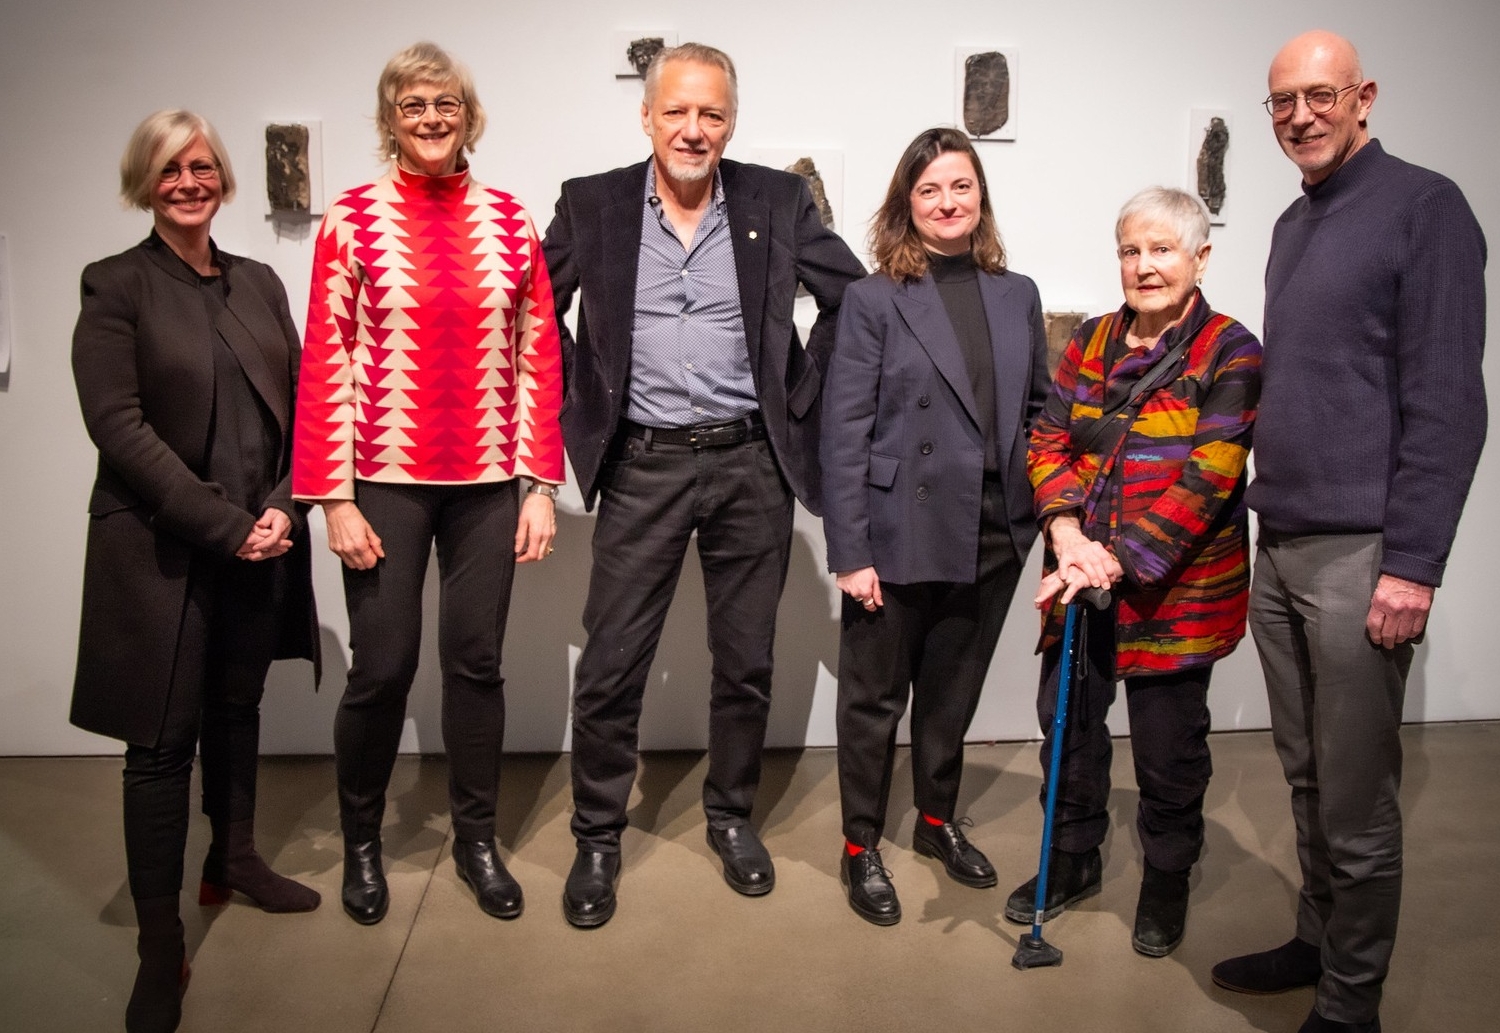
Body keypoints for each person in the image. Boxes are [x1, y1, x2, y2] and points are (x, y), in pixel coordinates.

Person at [542, 42, 865, 928]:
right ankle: (599, 834)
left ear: (731, 122)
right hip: (641, 462)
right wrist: (580, 394)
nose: (693, 129)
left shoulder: (777, 200)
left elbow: (855, 299)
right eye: (677, 111)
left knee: (746, 661)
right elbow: (534, 312)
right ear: (646, 116)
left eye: (711, 114)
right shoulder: (592, 203)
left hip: (750, 464)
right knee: (612, 663)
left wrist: (797, 397)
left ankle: (729, 816)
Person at [1212, 31, 1486, 1033]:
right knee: (1307, 772)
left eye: (1319, 96)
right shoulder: (1294, 223)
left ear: (1363, 96)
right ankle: (1318, 936)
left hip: (1363, 552)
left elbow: (1452, 402)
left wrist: (1412, 564)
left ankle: (1350, 1003)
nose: (1299, 116)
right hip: (1279, 541)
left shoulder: (1426, 207)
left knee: (1360, 797)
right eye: (1281, 101)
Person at [292, 41, 564, 926]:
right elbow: (326, 363)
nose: (432, 118)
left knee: (475, 666)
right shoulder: (352, 220)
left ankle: (477, 840)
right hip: (383, 482)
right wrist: (332, 497)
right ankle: (362, 839)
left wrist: (536, 484)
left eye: (445, 103)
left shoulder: (511, 221)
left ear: (468, 113)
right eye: (412, 106)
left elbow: (538, 359)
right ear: (390, 120)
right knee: (383, 667)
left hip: (488, 482)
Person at [70, 109, 320, 1033]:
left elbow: (306, 409)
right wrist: (226, 525)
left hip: (259, 540)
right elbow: (119, 428)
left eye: (204, 165)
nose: (190, 181)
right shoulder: (116, 286)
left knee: (237, 708)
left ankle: (236, 860)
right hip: (162, 552)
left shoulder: (258, 283)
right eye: (171, 168)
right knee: (160, 745)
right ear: (147, 180)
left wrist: (284, 506)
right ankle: (155, 943)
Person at [1001, 187, 1262, 957]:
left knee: (1168, 749)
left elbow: (1209, 478)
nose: (1143, 267)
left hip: (1175, 594)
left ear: (1200, 258)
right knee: (1068, 731)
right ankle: (1074, 855)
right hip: (1079, 580)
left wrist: (1112, 558)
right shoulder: (1089, 341)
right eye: (1129, 250)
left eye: (1161, 250)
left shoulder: (1232, 350)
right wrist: (1068, 531)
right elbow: (1047, 441)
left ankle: (1167, 875)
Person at [821, 127, 1049, 926]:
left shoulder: (1015, 292)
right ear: (905, 205)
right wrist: (849, 550)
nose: (948, 202)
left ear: (979, 196)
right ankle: (859, 844)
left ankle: (934, 819)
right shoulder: (875, 297)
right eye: (929, 190)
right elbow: (844, 429)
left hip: (992, 528)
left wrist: (1051, 516)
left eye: (961, 186)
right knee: (874, 699)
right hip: (897, 528)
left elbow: (1039, 413)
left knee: (952, 694)